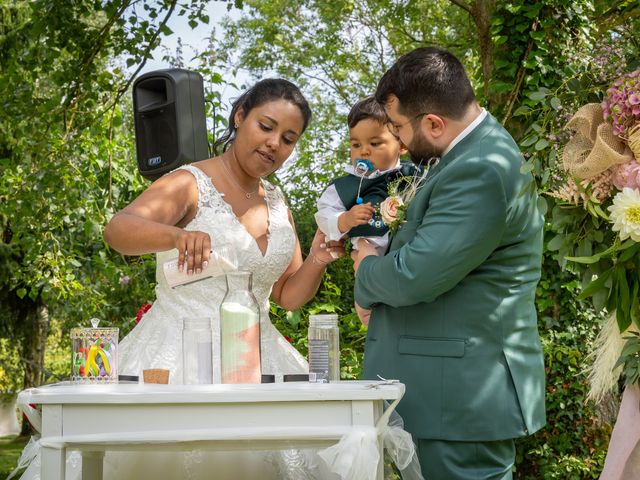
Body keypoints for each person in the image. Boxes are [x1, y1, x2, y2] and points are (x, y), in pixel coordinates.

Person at [14, 79, 344, 480]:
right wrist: (176, 235)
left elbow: (287, 295)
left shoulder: (277, 202)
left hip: (257, 364)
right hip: (179, 358)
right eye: (266, 126)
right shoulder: (191, 182)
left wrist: (318, 258)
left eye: (289, 138)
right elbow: (118, 229)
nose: (275, 143)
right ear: (240, 118)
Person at [352, 47, 546, 480]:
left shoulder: (481, 168)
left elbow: (413, 276)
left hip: (458, 400)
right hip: (444, 395)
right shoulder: (470, 155)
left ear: (434, 123)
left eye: (400, 128)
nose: (399, 142)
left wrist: (365, 269)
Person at [314, 95, 416, 324]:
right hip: (368, 250)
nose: (364, 152)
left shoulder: (411, 175)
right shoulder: (345, 185)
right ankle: (368, 318)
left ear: (401, 145)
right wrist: (345, 220)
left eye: (375, 143)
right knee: (369, 300)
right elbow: (324, 215)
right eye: (356, 144)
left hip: (406, 254)